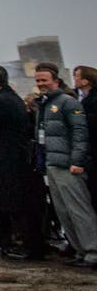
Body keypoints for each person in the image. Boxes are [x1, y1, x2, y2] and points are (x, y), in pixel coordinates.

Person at [34, 61, 97, 268]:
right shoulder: (43, 104)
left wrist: (77, 160)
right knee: (63, 211)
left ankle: (92, 250)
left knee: (78, 209)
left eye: (44, 80)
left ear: (56, 81)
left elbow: (80, 134)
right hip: (52, 163)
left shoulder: (68, 103)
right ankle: (79, 249)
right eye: (38, 80)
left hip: (68, 165)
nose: (41, 84)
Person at [0, 64, 45, 260]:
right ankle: (29, 244)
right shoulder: (14, 98)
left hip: (5, 163)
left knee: (14, 207)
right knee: (20, 207)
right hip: (16, 159)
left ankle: (27, 246)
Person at [75, 64, 97, 216]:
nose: (74, 79)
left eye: (76, 76)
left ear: (85, 81)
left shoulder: (91, 102)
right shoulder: (85, 100)